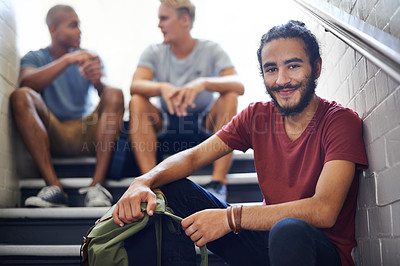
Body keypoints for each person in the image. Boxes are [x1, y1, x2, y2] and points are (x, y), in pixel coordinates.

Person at [113, 20, 368, 266]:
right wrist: (142, 181)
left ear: (317, 67)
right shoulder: (257, 116)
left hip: (317, 249)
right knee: (171, 188)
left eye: (293, 66)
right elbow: (192, 158)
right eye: (271, 69)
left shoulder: (340, 122)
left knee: (287, 230)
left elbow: (324, 209)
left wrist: (231, 217)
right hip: (265, 242)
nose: (281, 80)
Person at [129, 0, 245, 201]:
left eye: (164, 18)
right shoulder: (154, 51)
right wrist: (162, 87)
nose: (159, 25)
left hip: (204, 127)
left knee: (230, 96)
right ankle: (151, 184)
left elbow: (238, 84)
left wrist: (203, 83)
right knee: (137, 101)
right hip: (167, 125)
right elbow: (135, 85)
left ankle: (218, 182)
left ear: (184, 20)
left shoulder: (211, 49)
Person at [11, 5, 124, 207]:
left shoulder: (89, 57)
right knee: (21, 96)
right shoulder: (35, 57)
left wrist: (98, 79)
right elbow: (27, 82)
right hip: (54, 132)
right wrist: (67, 60)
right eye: (73, 25)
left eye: (79, 25)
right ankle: (54, 188)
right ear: (53, 29)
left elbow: (108, 91)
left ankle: (97, 185)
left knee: (114, 92)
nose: (79, 31)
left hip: (86, 132)